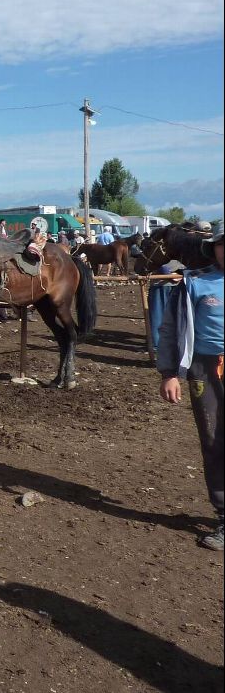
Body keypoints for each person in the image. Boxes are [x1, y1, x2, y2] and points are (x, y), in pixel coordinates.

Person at [156, 224, 224, 551]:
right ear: (214, 248)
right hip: (206, 370)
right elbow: (170, 331)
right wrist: (170, 373)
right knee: (213, 440)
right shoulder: (193, 285)